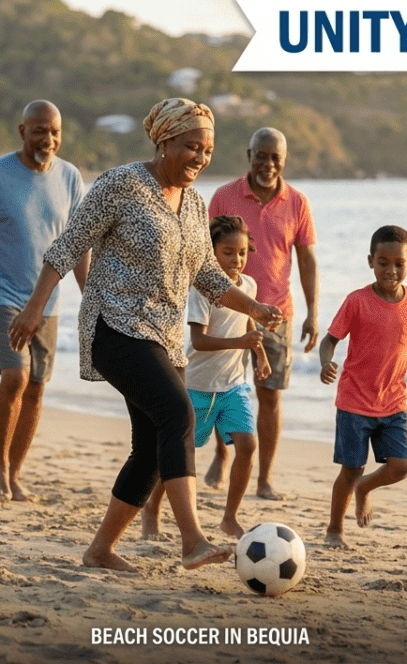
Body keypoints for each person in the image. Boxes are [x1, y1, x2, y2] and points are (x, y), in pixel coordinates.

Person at [7, 98, 282, 571]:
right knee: (178, 413)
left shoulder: (195, 205)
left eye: (208, 149)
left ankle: (99, 551)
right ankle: (193, 538)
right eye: (191, 146)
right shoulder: (121, 184)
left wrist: (254, 305)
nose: (200, 157)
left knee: (152, 447)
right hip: (113, 325)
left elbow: (208, 276)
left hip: (164, 336)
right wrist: (34, 308)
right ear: (163, 141)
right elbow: (68, 245)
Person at [208, 127, 319, 501]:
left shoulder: (297, 202)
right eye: (261, 155)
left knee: (269, 395)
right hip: (225, 310)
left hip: (275, 314)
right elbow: (204, 255)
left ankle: (263, 479)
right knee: (219, 387)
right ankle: (222, 456)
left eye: (275, 157)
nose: (268, 163)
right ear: (248, 154)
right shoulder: (224, 196)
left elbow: (306, 259)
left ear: (284, 160)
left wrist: (312, 313)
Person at [144, 215, 271, 539]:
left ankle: (229, 517)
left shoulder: (250, 287)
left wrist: (260, 356)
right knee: (177, 455)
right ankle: (151, 510)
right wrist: (239, 344)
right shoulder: (203, 290)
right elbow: (198, 341)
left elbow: (248, 327)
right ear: (212, 252)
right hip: (196, 388)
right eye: (228, 253)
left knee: (247, 445)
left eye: (242, 253)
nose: (236, 260)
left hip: (233, 386)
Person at [0, 100, 89, 502]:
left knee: (36, 387)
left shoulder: (70, 177)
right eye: (39, 131)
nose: (48, 139)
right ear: (22, 132)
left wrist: (92, 298)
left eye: (54, 131)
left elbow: (80, 244)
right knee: (15, 378)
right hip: (4, 295)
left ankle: (15, 472)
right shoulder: (2, 173)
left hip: (49, 302)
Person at [319, 225, 407, 547]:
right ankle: (334, 529)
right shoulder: (357, 301)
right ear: (370, 261)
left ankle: (366, 488)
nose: (391, 270)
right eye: (383, 262)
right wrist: (325, 361)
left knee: (402, 465)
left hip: (393, 400)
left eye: (398, 263)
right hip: (354, 400)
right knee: (351, 469)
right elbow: (330, 339)